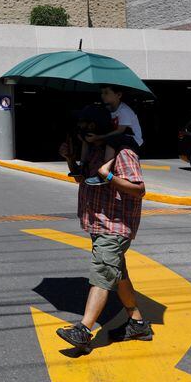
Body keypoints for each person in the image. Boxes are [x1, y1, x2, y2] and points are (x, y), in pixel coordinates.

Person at [57, 104, 152, 352]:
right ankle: (138, 322)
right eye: (81, 126)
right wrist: (70, 159)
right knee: (118, 274)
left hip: (116, 225)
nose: (83, 130)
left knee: (102, 271)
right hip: (98, 222)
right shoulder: (96, 150)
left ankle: (84, 330)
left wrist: (108, 176)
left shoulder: (122, 152)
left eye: (88, 125)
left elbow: (139, 189)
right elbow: (82, 178)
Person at [85, 85, 143, 185]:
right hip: (120, 136)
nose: (102, 95)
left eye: (106, 92)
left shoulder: (124, 110)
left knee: (111, 140)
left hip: (133, 139)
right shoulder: (109, 109)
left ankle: (104, 175)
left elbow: (120, 131)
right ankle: (82, 166)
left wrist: (99, 137)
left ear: (119, 95)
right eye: (102, 92)